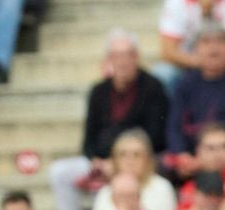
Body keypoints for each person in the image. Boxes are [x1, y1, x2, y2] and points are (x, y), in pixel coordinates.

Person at [69, 32, 169, 190]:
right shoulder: (98, 91)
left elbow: (155, 135)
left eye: (127, 55)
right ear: (109, 59)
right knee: (60, 173)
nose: (122, 62)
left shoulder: (153, 88)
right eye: (116, 56)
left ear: (136, 57)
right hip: (101, 161)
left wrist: (118, 160)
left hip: (138, 157)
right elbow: (89, 137)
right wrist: (95, 160)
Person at [165, 22, 225, 168]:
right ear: (196, 50)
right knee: (162, 164)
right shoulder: (186, 82)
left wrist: (214, 154)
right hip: (194, 153)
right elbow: (174, 126)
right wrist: (181, 154)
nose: (213, 49)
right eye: (206, 42)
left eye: (220, 42)